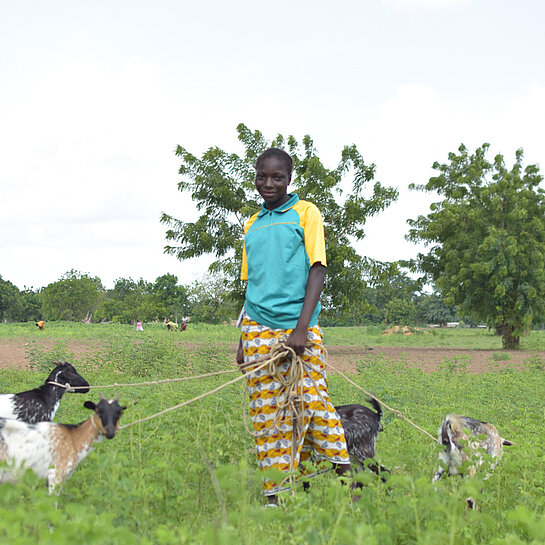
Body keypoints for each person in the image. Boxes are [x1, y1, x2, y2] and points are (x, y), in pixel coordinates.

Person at [236, 147, 352, 506]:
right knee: (266, 413)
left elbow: (318, 268)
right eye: (262, 176)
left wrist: (301, 329)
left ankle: (351, 482)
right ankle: (276, 496)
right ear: (255, 177)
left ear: (289, 179)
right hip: (257, 328)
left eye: (277, 177)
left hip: (298, 328)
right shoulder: (251, 225)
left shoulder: (305, 213)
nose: (268, 184)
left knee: (313, 404)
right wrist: (242, 338)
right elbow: (250, 284)